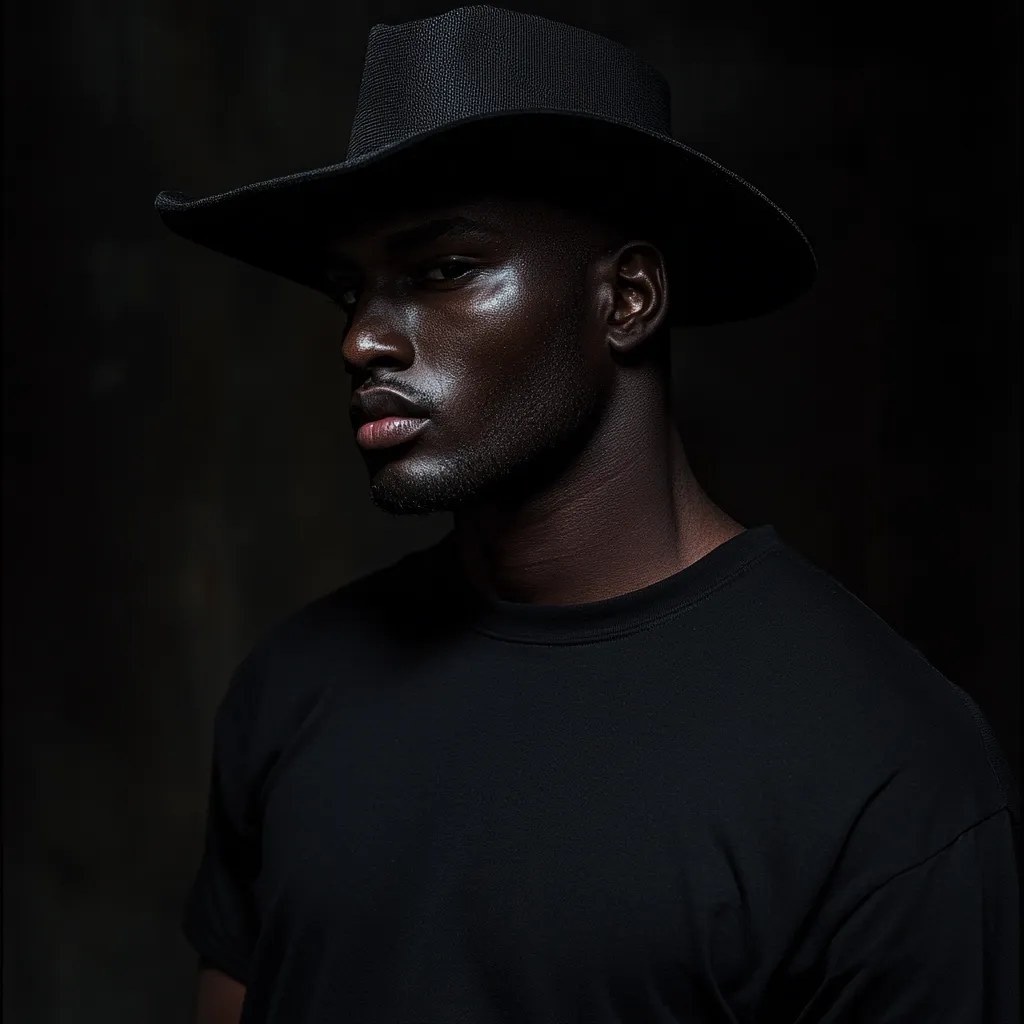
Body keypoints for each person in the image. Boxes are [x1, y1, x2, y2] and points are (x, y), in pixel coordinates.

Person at [155, 7, 1020, 1023]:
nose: (361, 342)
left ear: (628, 299)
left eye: (442, 271)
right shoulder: (294, 687)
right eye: (352, 291)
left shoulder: (882, 760)